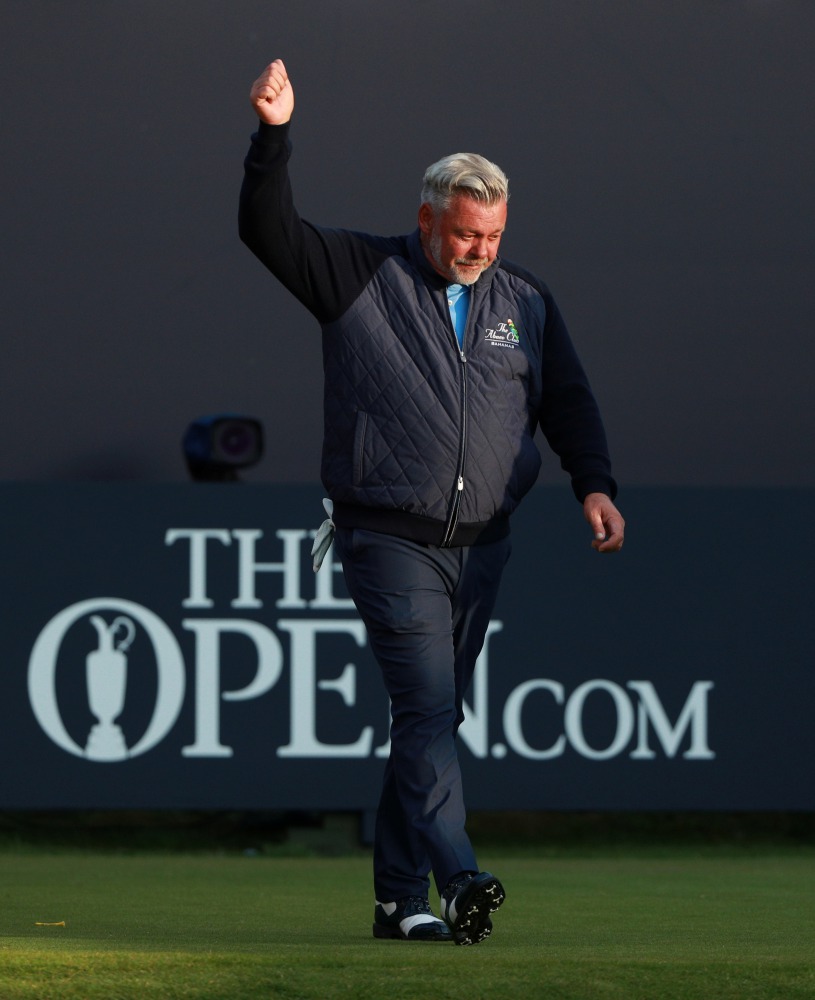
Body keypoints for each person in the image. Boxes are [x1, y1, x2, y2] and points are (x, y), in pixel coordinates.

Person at [239, 59, 625, 946]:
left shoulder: (523, 299)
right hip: (388, 538)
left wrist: (594, 483)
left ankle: (395, 901)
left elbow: (567, 399)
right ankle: (459, 879)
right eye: (464, 233)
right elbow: (265, 229)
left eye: (492, 234)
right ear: (426, 220)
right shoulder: (358, 271)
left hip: (483, 544)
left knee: (431, 721)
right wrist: (272, 137)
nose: (479, 249)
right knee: (424, 708)